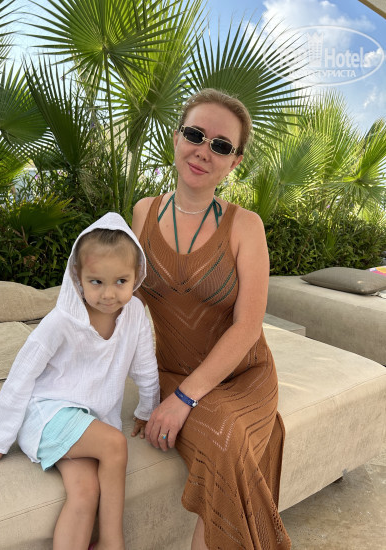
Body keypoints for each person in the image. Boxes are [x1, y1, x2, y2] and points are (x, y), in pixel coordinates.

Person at [132, 88, 291, 550]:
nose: (204, 151)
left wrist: (184, 398)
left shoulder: (246, 225)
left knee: (224, 436)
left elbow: (248, 327)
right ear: (176, 137)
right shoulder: (143, 211)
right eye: (195, 135)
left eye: (221, 145)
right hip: (169, 369)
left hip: (242, 374)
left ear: (234, 161)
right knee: (227, 443)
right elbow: (130, 303)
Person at [0, 213, 160, 550]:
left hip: (86, 421)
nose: (109, 294)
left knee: (85, 491)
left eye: (121, 281)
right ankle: (112, 543)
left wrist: (147, 410)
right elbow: (22, 374)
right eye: (96, 281)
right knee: (114, 444)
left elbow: (146, 368)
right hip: (48, 414)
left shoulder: (135, 313)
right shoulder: (61, 320)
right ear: (78, 275)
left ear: (137, 275)